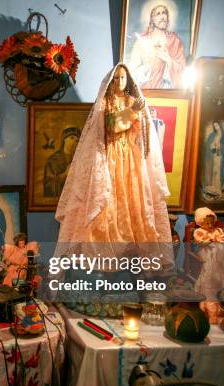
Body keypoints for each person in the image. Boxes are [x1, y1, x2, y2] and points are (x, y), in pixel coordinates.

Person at [55, 63, 172, 265]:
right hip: (109, 156)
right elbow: (109, 126)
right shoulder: (106, 102)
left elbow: (142, 131)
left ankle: (130, 251)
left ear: (129, 80)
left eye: (123, 78)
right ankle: (104, 254)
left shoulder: (134, 100)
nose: (119, 81)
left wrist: (137, 116)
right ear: (111, 81)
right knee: (106, 202)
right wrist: (132, 112)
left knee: (132, 200)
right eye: (116, 78)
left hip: (130, 161)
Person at [128, 4, 186, 89]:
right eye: (158, 14)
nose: (162, 16)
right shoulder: (141, 42)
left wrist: (168, 59)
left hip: (167, 93)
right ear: (152, 19)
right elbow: (131, 72)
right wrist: (148, 66)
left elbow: (183, 72)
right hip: (145, 92)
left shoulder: (175, 41)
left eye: (164, 13)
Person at [44, 126, 81, 197]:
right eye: (71, 138)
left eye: (77, 140)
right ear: (64, 139)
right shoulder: (53, 160)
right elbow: (48, 185)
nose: (74, 142)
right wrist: (65, 175)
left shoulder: (81, 159)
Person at [202, 121, 224, 202]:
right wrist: (212, 147)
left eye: (217, 125)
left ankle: (218, 189)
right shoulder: (212, 135)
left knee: (218, 171)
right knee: (214, 171)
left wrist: (220, 146)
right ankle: (213, 189)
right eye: (214, 126)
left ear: (220, 125)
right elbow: (208, 145)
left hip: (220, 157)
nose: (216, 127)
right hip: (213, 156)